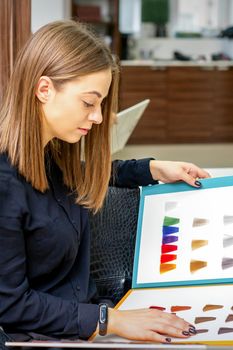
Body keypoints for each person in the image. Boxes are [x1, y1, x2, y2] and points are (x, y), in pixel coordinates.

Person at [0, 20, 210, 346]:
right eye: (89, 102)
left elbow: (82, 174)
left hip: (80, 323)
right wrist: (110, 321)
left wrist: (151, 169)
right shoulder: (5, 184)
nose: (98, 117)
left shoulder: (49, 155)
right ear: (44, 89)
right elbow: (9, 305)